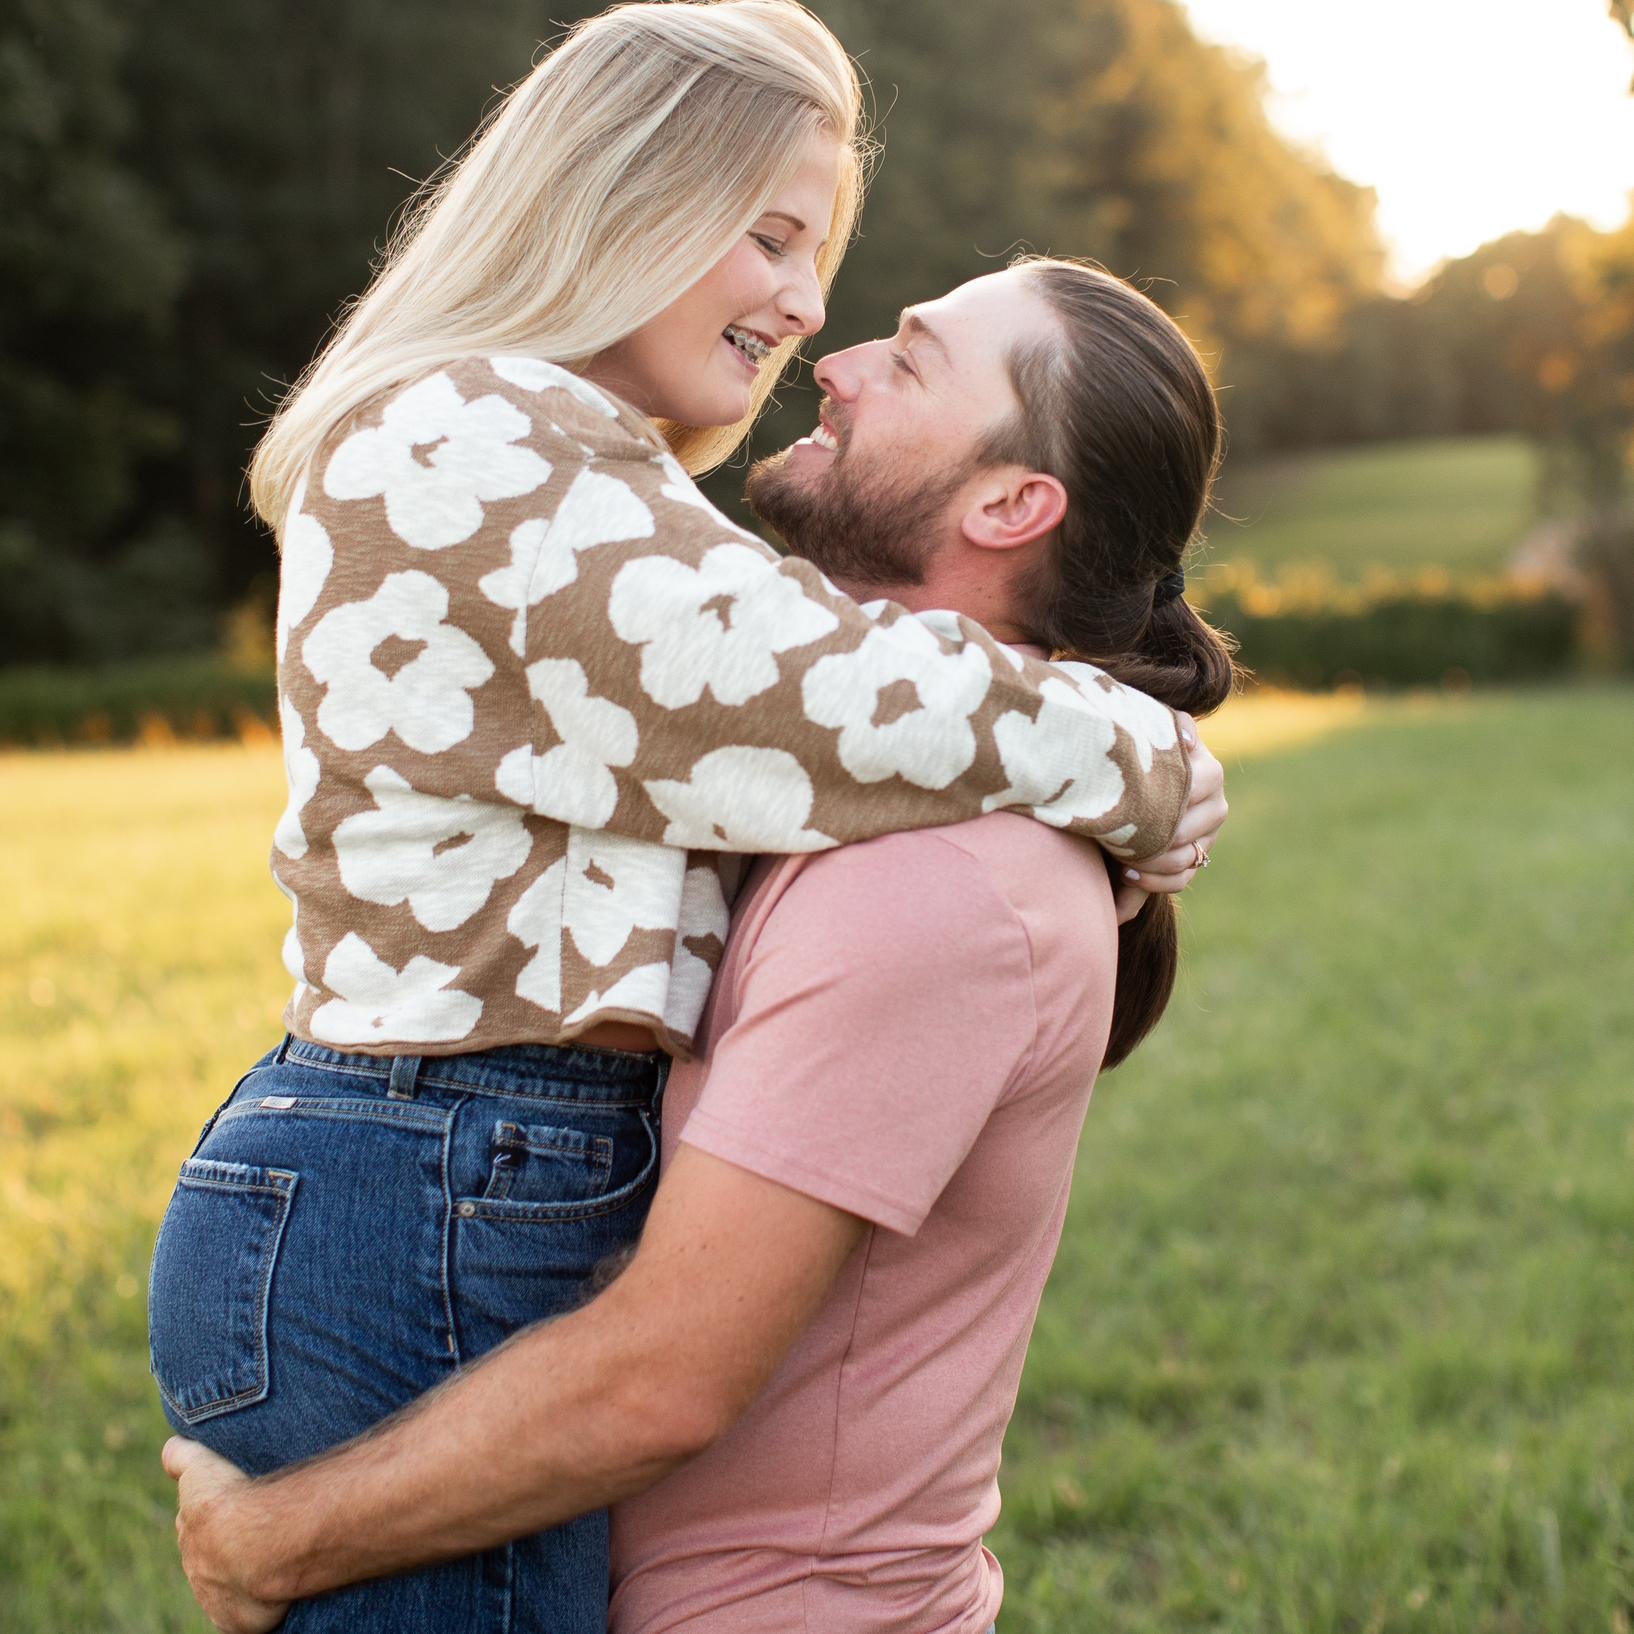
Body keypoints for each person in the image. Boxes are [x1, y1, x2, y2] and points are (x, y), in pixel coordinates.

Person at [147, 4, 1228, 1632]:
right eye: (774, 238)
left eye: (831, 270)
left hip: (450, 1158)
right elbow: (799, 677)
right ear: (617, 195)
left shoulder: (583, 482)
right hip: (424, 1157)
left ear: (1016, 499)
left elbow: (800, 680)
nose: (814, 320)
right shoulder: (479, 441)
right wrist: (1133, 751)